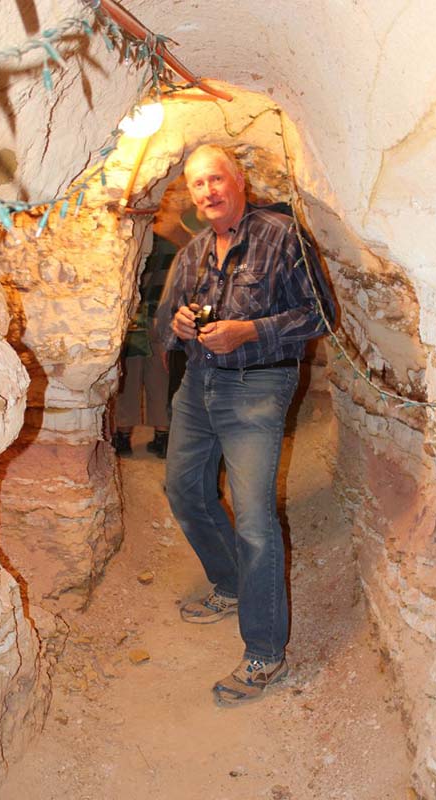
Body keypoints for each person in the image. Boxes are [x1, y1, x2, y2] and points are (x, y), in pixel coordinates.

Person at [160, 144, 336, 705]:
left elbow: (321, 314)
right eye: (197, 184)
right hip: (199, 384)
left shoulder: (281, 235)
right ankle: (231, 581)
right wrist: (180, 325)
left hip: (258, 384)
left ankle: (265, 651)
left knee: (255, 519)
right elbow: (167, 323)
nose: (208, 191)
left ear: (239, 180)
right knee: (184, 490)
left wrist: (251, 331)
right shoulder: (192, 251)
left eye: (216, 179)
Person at [112, 233, 177, 459]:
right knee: (160, 379)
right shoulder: (172, 249)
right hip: (160, 319)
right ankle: (162, 438)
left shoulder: (127, 241)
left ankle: (123, 437)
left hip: (133, 320)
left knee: (128, 380)